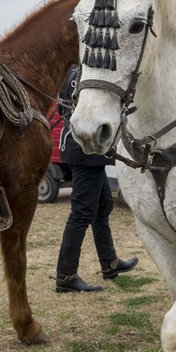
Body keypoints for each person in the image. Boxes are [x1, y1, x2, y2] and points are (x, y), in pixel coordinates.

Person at [54, 65, 138, 292]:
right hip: (85, 150)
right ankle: (66, 276)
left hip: (87, 150)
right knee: (81, 213)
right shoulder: (82, 74)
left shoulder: (73, 72)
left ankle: (109, 263)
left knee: (102, 206)